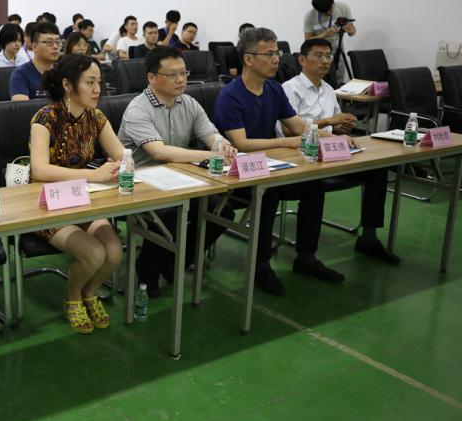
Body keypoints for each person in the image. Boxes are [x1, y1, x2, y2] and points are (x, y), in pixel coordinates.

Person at [214, 27, 344, 296]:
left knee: (313, 186)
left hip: (272, 166)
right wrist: (285, 143)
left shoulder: (273, 89)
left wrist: (334, 139)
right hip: (237, 172)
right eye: (269, 54)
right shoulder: (231, 95)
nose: (277, 59)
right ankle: (261, 266)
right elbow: (242, 143)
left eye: (278, 53)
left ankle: (306, 257)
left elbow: (298, 126)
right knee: (268, 193)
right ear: (249, 59)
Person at [118, 46, 237, 296]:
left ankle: (176, 261)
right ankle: (147, 271)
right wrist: (211, 155)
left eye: (184, 73)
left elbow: (211, 136)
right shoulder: (138, 109)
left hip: (181, 180)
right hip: (141, 185)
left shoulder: (189, 102)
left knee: (221, 211)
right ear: (151, 77)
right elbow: (160, 152)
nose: (181, 79)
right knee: (171, 215)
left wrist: (223, 146)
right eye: (173, 74)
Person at [29, 54, 124, 333]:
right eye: (90, 82)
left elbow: (121, 154)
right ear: (68, 85)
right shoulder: (45, 118)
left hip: (82, 198)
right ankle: (73, 298)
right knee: (94, 253)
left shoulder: (96, 117)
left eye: (99, 82)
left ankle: (90, 293)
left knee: (114, 252)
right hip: (47, 203)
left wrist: (121, 164)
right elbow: (40, 170)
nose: (97, 90)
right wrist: (93, 175)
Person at [282, 38, 398, 264]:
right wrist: (330, 122)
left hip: (331, 151)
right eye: (318, 55)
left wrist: (340, 127)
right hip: (302, 153)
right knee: (313, 185)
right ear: (302, 60)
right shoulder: (290, 88)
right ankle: (306, 256)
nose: (325, 61)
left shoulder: (328, 89)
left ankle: (369, 237)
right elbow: (288, 130)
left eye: (328, 56)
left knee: (376, 170)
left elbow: (333, 126)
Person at [303, 0, 356, 85]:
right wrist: (325, 34)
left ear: (333, 2)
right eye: (325, 12)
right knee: (321, 82)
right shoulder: (310, 16)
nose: (329, 12)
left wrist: (350, 30)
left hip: (338, 52)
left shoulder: (343, 8)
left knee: (338, 82)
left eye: (330, 9)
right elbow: (307, 41)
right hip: (319, 54)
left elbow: (352, 32)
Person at [10, 22, 60, 101]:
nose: (55, 47)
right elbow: (21, 107)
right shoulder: (21, 74)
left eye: (58, 42)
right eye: (49, 42)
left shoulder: (63, 72)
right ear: (35, 47)